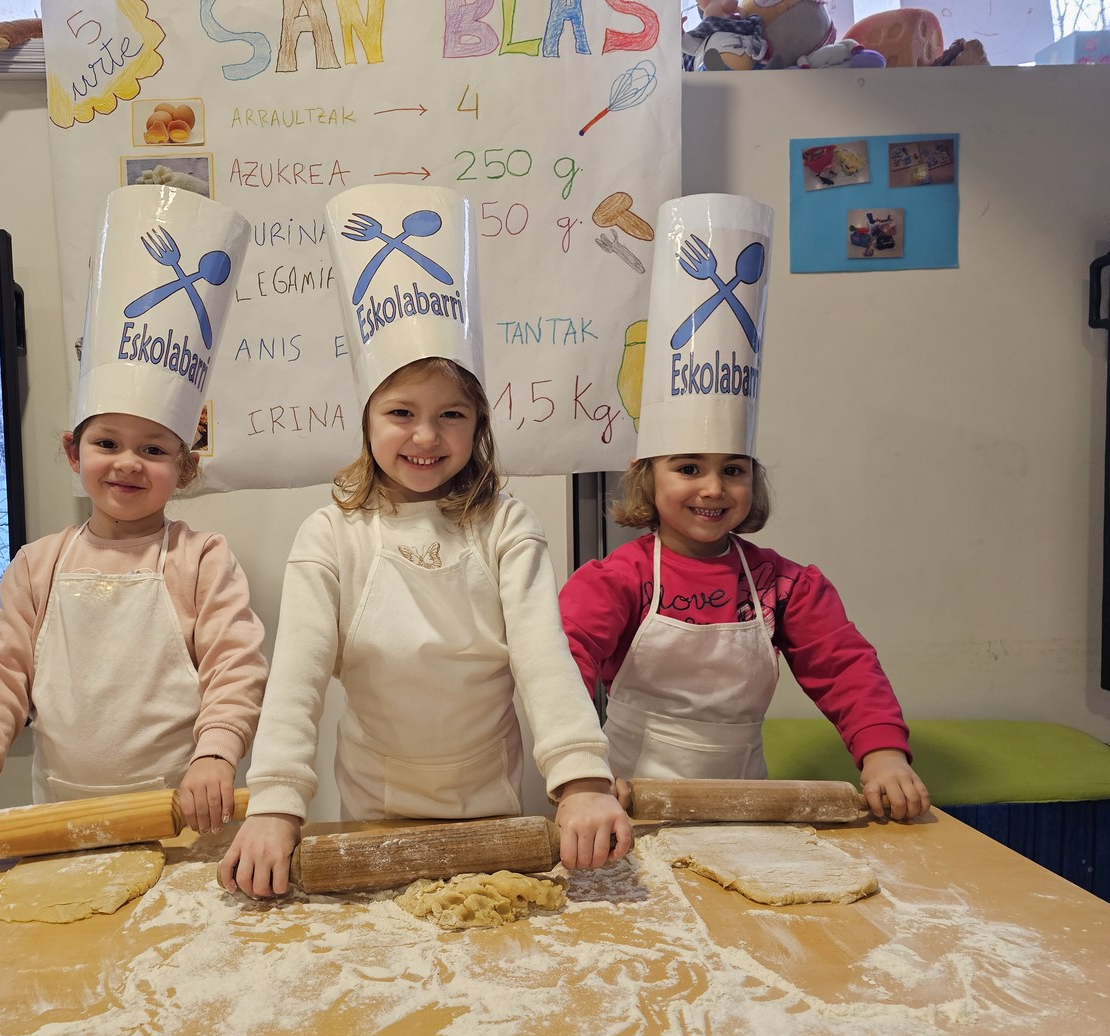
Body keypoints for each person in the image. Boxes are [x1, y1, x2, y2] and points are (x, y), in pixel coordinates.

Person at [220, 184, 632, 898]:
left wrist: (582, 781)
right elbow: (297, 679)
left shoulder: (505, 526)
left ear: (479, 426)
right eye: (401, 412)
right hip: (374, 807)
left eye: (452, 415)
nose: (426, 435)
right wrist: (275, 803)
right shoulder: (331, 535)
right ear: (367, 419)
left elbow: (543, 657)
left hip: (492, 802)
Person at [0, 185, 267, 855]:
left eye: (154, 450)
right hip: (61, 824)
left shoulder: (200, 560)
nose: (127, 463)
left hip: (185, 820)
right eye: (108, 443)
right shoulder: (38, 567)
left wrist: (216, 754)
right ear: (74, 452)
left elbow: (234, 669)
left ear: (183, 469)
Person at [559, 193, 928, 821]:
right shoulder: (616, 580)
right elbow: (561, 668)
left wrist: (883, 753)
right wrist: (580, 773)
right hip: (623, 803)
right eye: (688, 468)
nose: (713, 488)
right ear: (647, 477)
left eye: (733, 470)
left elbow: (844, 667)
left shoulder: (785, 586)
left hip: (745, 804)